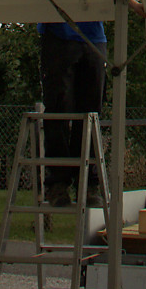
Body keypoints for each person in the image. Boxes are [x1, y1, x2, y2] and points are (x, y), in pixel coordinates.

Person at [38, 18, 108, 205]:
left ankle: (88, 183)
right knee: (58, 110)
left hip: (93, 36)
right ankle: (58, 183)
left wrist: (134, 5)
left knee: (91, 114)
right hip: (58, 34)